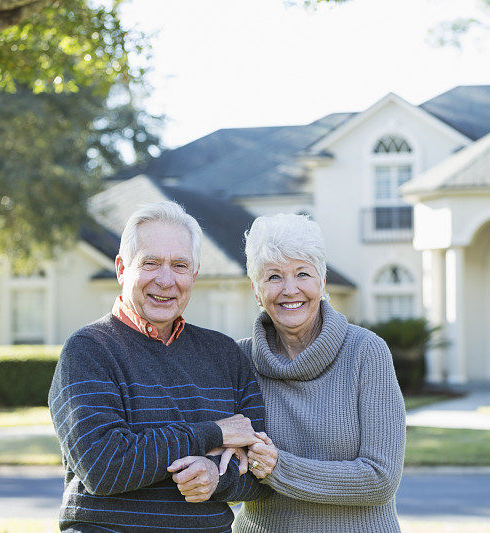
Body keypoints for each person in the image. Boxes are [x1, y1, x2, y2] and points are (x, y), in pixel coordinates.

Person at [49, 201, 266, 532]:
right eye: (150, 263)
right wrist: (215, 432)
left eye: (180, 265)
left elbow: (260, 470)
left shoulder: (226, 355)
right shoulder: (89, 351)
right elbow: (103, 467)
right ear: (122, 269)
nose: (166, 281)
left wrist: (213, 476)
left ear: (194, 274)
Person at [233, 213, 407, 532]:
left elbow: (381, 479)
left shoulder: (366, 352)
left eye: (302, 273)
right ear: (257, 291)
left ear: (322, 282)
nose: (290, 289)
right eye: (273, 277)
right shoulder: (239, 359)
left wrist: (278, 468)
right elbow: (225, 469)